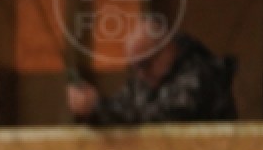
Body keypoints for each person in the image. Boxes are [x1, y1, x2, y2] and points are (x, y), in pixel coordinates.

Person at [66, 28, 236, 125]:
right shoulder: (143, 80)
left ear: (167, 49)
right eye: (135, 68)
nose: (141, 74)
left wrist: (99, 107)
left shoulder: (199, 74)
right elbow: (123, 106)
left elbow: (164, 115)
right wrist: (90, 109)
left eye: (145, 64)